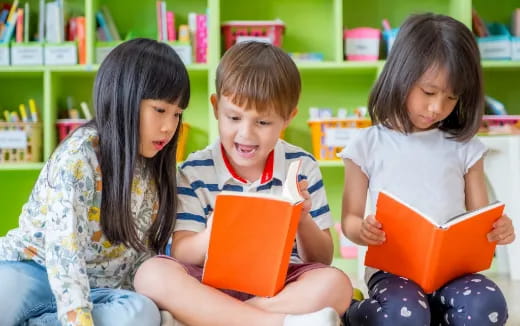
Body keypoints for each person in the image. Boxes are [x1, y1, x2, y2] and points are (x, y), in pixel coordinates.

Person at [134, 41, 353, 326]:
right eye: (234, 117)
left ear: (288, 118)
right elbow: (181, 252)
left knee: (336, 284)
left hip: (281, 285)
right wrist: (214, 233)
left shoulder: (302, 166)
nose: (246, 134)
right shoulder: (193, 171)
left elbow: (322, 259)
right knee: (151, 274)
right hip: (208, 284)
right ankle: (273, 322)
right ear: (216, 107)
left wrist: (302, 218)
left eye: (263, 123)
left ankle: (213, 320)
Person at [340, 13, 516, 326]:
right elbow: (349, 222)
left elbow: (481, 219)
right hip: (393, 272)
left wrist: (497, 230)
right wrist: (363, 231)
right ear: (401, 77)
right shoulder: (367, 145)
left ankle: (430, 314)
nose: (437, 108)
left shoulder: (466, 147)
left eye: (451, 97)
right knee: (403, 316)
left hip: (453, 273)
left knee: (488, 306)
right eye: (429, 92)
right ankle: (355, 313)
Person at [0, 38, 190, 326]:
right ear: (122, 99)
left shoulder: (157, 169)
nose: (169, 126)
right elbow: (64, 252)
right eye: (160, 110)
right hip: (32, 270)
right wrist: (78, 319)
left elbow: (144, 255)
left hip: (100, 290)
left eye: (177, 114)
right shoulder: (79, 157)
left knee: (142, 314)